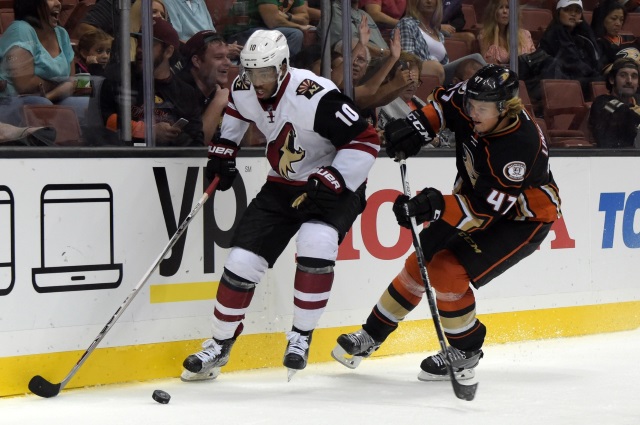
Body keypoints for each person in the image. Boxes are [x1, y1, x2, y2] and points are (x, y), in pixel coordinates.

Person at [332, 64, 561, 381]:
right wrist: (416, 129)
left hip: (522, 218)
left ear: (506, 108)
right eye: (472, 105)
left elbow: (484, 211)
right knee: (420, 261)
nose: (473, 113)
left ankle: (466, 352)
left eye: (482, 109)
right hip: (479, 198)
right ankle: (371, 335)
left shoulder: (518, 147)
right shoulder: (474, 99)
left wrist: (434, 206)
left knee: (447, 269)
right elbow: (443, 107)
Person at [180, 29, 380, 382]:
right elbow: (237, 113)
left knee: (316, 242)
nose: (257, 82)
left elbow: (366, 140)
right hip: (283, 184)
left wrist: (334, 177)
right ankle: (219, 344)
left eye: (265, 73)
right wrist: (224, 151)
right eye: (251, 72)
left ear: (284, 67)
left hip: (333, 186)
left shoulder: (314, 95)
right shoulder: (244, 88)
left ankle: (301, 336)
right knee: (241, 261)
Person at [99, 17, 204, 146]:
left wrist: (174, 137)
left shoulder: (186, 92)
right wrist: (148, 131)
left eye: (148, 44)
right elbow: (107, 120)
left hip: (169, 162)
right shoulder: (119, 78)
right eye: (139, 43)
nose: (139, 49)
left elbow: (196, 141)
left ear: (168, 51)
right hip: (126, 159)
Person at [0, 0, 90, 123]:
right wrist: (60, 86)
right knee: (41, 105)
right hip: (12, 101)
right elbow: (24, 85)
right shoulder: (21, 29)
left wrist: (54, 92)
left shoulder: (61, 33)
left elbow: (71, 79)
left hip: (53, 97)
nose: (58, 3)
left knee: (87, 103)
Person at [177, 30, 232, 145]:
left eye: (228, 56)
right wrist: (217, 103)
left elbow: (242, 145)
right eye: (218, 57)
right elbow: (197, 148)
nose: (228, 62)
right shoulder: (178, 92)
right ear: (197, 61)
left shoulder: (218, 91)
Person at [538, 0, 602, 95]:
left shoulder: (580, 34)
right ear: (559, 12)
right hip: (559, 82)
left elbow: (595, 56)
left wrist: (585, 26)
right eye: (568, 10)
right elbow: (571, 61)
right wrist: (594, 75)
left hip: (577, 78)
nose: (573, 14)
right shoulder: (555, 32)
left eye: (577, 11)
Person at [224, 0, 314, 57]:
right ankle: (284, 70)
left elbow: (305, 19)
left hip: (265, 31)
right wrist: (299, 26)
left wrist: (288, 16)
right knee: (295, 34)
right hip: (242, 32)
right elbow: (273, 21)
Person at [589, 58, 640, 148]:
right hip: (608, 159)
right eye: (623, 75)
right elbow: (624, 113)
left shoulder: (634, 107)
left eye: (634, 76)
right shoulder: (602, 102)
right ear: (612, 79)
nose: (629, 81)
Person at [322, 0, 391, 60]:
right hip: (363, 66)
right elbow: (352, 44)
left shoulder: (364, 14)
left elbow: (382, 44)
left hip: (384, 62)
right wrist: (383, 53)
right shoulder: (334, 10)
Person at [478, 0, 536, 66]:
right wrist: (496, 33)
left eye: (508, 7)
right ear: (493, 11)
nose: (505, 11)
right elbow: (490, 63)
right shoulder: (485, 35)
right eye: (500, 7)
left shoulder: (525, 34)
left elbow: (532, 60)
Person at [591, 0, 640, 73]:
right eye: (613, 19)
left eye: (621, 20)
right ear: (601, 18)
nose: (618, 24)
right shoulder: (597, 43)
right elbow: (605, 70)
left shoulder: (630, 38)